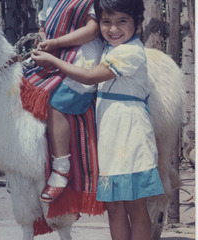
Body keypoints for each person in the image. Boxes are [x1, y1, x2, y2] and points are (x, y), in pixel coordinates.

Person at [31, 0, 165, 239]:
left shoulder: (130, 52)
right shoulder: (108, 49)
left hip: (130, 138)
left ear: (138, 22)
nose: (113, 29)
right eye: (106, 22)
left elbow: (91, 76)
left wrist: (53, 61)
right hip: (111, 141)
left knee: (135, 207)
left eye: (122, 21)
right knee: (114, 208)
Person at [22, 0, 102, 203]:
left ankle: (61, 169)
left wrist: (56, 43)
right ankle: (27, 164)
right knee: (19, 90)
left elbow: (92, 30)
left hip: (80, 57)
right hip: (51, 54)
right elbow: (43, 28)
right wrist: (41, 41)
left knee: (55, 102)